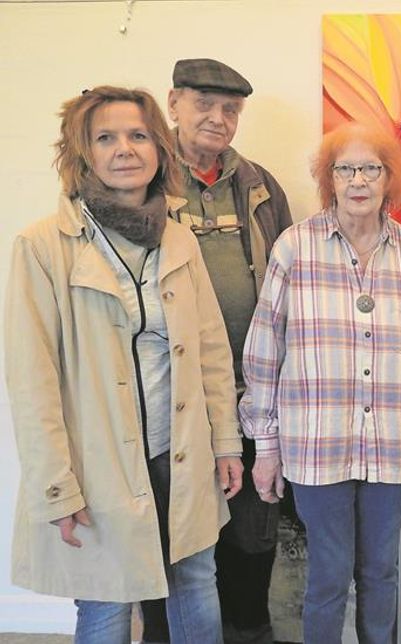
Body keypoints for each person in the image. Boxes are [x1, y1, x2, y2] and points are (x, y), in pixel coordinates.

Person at [4, 86, 242, 643]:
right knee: (109, 606)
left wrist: (226, 441)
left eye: (138, 135)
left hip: (178, 450)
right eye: (105, 137)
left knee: (196, 586)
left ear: (159, 147)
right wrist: (55, 487)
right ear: (82, 152)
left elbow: (209, 352)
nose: (124, 149)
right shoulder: (44, 245)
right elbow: (30, 380)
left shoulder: (179, 239)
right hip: (99, 464)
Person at [239, 122, 401, 643]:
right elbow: (265, 351)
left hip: (390, 448)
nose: (358, 180)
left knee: (382, 574)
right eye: (345, 169)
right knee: (328, 579)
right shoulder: (295, 249)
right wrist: (265, 448)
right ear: (329, 179)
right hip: (316, 447)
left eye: (370, 168)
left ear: (389, 178)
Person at [141, 57, 293, 644]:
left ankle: (248, 632)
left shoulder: (259, 185)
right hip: (170, 399)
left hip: (250, 397)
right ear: (173, 104)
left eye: (230, 109)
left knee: (252, 539)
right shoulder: (147, 180)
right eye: (203, 104)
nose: (218, 118)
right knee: (171, 540)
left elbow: (289, 283)